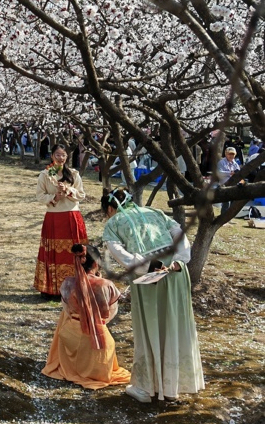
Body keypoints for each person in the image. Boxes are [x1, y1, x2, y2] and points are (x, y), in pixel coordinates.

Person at [100, 188, 204, 403]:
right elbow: (178, 232)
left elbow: (121, 254)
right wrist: (180, 259)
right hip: (176, 270)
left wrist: (150, 266)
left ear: (110, 208)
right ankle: (174, 386)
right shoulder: (154, 212)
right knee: (175, 323)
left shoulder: (112, 224)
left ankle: (146, 387)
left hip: (150, 274)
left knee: (151, 325)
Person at [42, 244, 131, 389]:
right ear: (96, 263)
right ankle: (94, 372)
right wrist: (94, 320)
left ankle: (73, 368)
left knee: (69, 327)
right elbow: (111, 311)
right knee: (105, 346)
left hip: (70, 335)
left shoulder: (67, 283)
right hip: (96, 339)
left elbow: (67, 310)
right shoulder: (105, 284)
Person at [34, 144, 88, 298]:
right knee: (53, 253)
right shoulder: (45, 175)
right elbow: (40, 196)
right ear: (52, 156)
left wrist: (68, 191)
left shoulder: (73, 174)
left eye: (63, 155)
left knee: (73, 252)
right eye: (57, 155)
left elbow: (81, 194)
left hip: (72, 216)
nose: (60, 158)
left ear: (67, 157)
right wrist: (54, 197)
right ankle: (52, 289)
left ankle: (76, 289)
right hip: (54, 217)